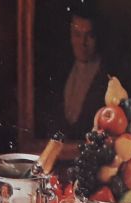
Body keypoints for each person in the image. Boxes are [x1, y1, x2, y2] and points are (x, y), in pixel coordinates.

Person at [42, 2, 112, 137]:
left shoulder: (108, 77)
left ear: (98, 37)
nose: (82, 43)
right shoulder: (60, 71)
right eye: (77, 34)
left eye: (89, 35)